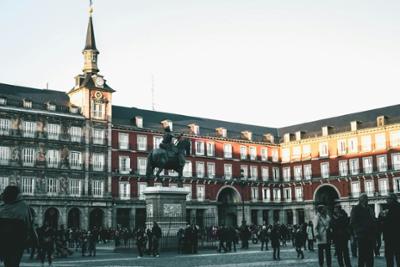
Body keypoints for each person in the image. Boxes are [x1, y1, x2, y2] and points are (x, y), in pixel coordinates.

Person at [0, 185, 36, 267]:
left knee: (7, 261)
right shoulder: (24, 206)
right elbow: (29, 223)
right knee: (14, 262)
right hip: (18, 240)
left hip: (3, 239)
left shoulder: (2, 206)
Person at [350, 193, 376, 267]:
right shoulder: (356, 208)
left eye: (367, 198)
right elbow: (352, 222)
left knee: (370, 255)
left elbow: (373, 220)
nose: (367, 200)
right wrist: (358, 231)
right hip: (361, 235)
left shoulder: (369, 209)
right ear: (360, 200)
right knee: (362, 255)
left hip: (370, 235)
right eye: (365, 198)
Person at [382, 193, 400, 267]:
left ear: (392, 199)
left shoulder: (390, 208)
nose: (386, 200)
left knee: (389, 256)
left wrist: (383, 218)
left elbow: (389, 222)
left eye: (388, 199)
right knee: (398, 255)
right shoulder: (398, 206)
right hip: (398, 235)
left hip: (390, 236)